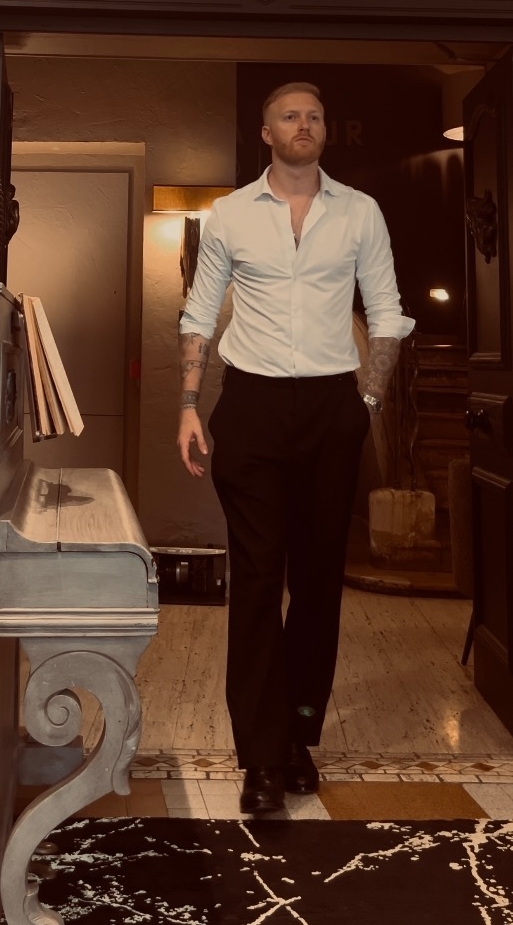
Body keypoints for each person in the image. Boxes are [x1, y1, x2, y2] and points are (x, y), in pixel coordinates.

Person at [177, 82, 415, 814]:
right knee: (256, 579)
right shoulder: (229, 215)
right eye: (290, 115)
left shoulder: (360, 212)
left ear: (323, 132)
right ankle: (259, 757)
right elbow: (199, 314)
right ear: (267, 132)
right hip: (250, 407)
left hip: (332, 407)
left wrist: (366, 403)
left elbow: (386, 313)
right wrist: (188, 405)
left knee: (316, 582)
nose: (303, 124)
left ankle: (297, 737)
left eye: (313, 116)